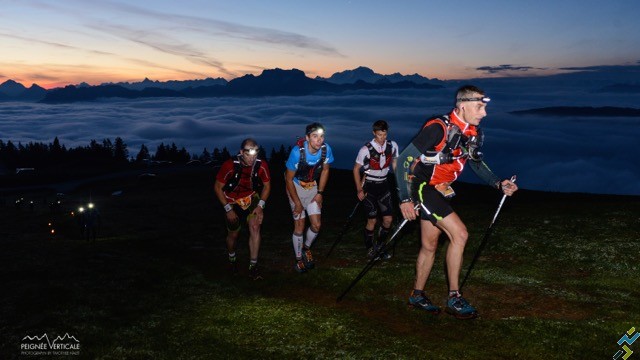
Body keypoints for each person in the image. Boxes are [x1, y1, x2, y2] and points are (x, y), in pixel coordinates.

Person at [396, 85, 518, 319]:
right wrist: (404, 199)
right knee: (460, 235)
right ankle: (454, 297)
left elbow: (475, 163)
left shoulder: (474, 132)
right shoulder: (438, 127)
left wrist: (498, 183)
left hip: (441, 191)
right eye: (480, 107)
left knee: (430, 245)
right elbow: (403, 159)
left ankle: (417, 294)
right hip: (424, 188)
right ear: (463, 106)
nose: (484, 113)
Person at [214, 138, 271, 280]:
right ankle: (232, 259)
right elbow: (217, 187)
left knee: (255, 226)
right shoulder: (229, 165)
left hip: (251, 198)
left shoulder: (261, 165)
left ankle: (253, 266)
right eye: (248, 154)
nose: (252, 158)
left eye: (255, 154)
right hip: (231, 201)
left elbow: (267, 186)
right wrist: (228, 209)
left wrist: (260, 206)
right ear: (241, 152)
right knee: (233, 234)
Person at [285, 122, 334, 273]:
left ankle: (306, 248)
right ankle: (299, 259)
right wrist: (297, 203)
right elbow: (288, 179)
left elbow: (325, 170)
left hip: (312, 187)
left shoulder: (326, 150)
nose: (319, 140)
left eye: (321, 136)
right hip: (296, 186)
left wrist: (320, 193)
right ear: (307, 138)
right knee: (299, 226)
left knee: (316, 225)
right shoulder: (297, 152)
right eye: (315, 136)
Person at [352, 120, 399, 259]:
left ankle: (380, 246)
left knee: (388, 220)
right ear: (374, 133)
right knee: (372, 220)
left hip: (384, 185)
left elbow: (395, 164)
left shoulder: (393, 145)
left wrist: (400, 180)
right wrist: (359, 189)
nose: (382, 138)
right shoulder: (365, 150)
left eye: (384, 135)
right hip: (369, 187)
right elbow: (355, 169)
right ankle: (369, 249)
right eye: (379, 135)